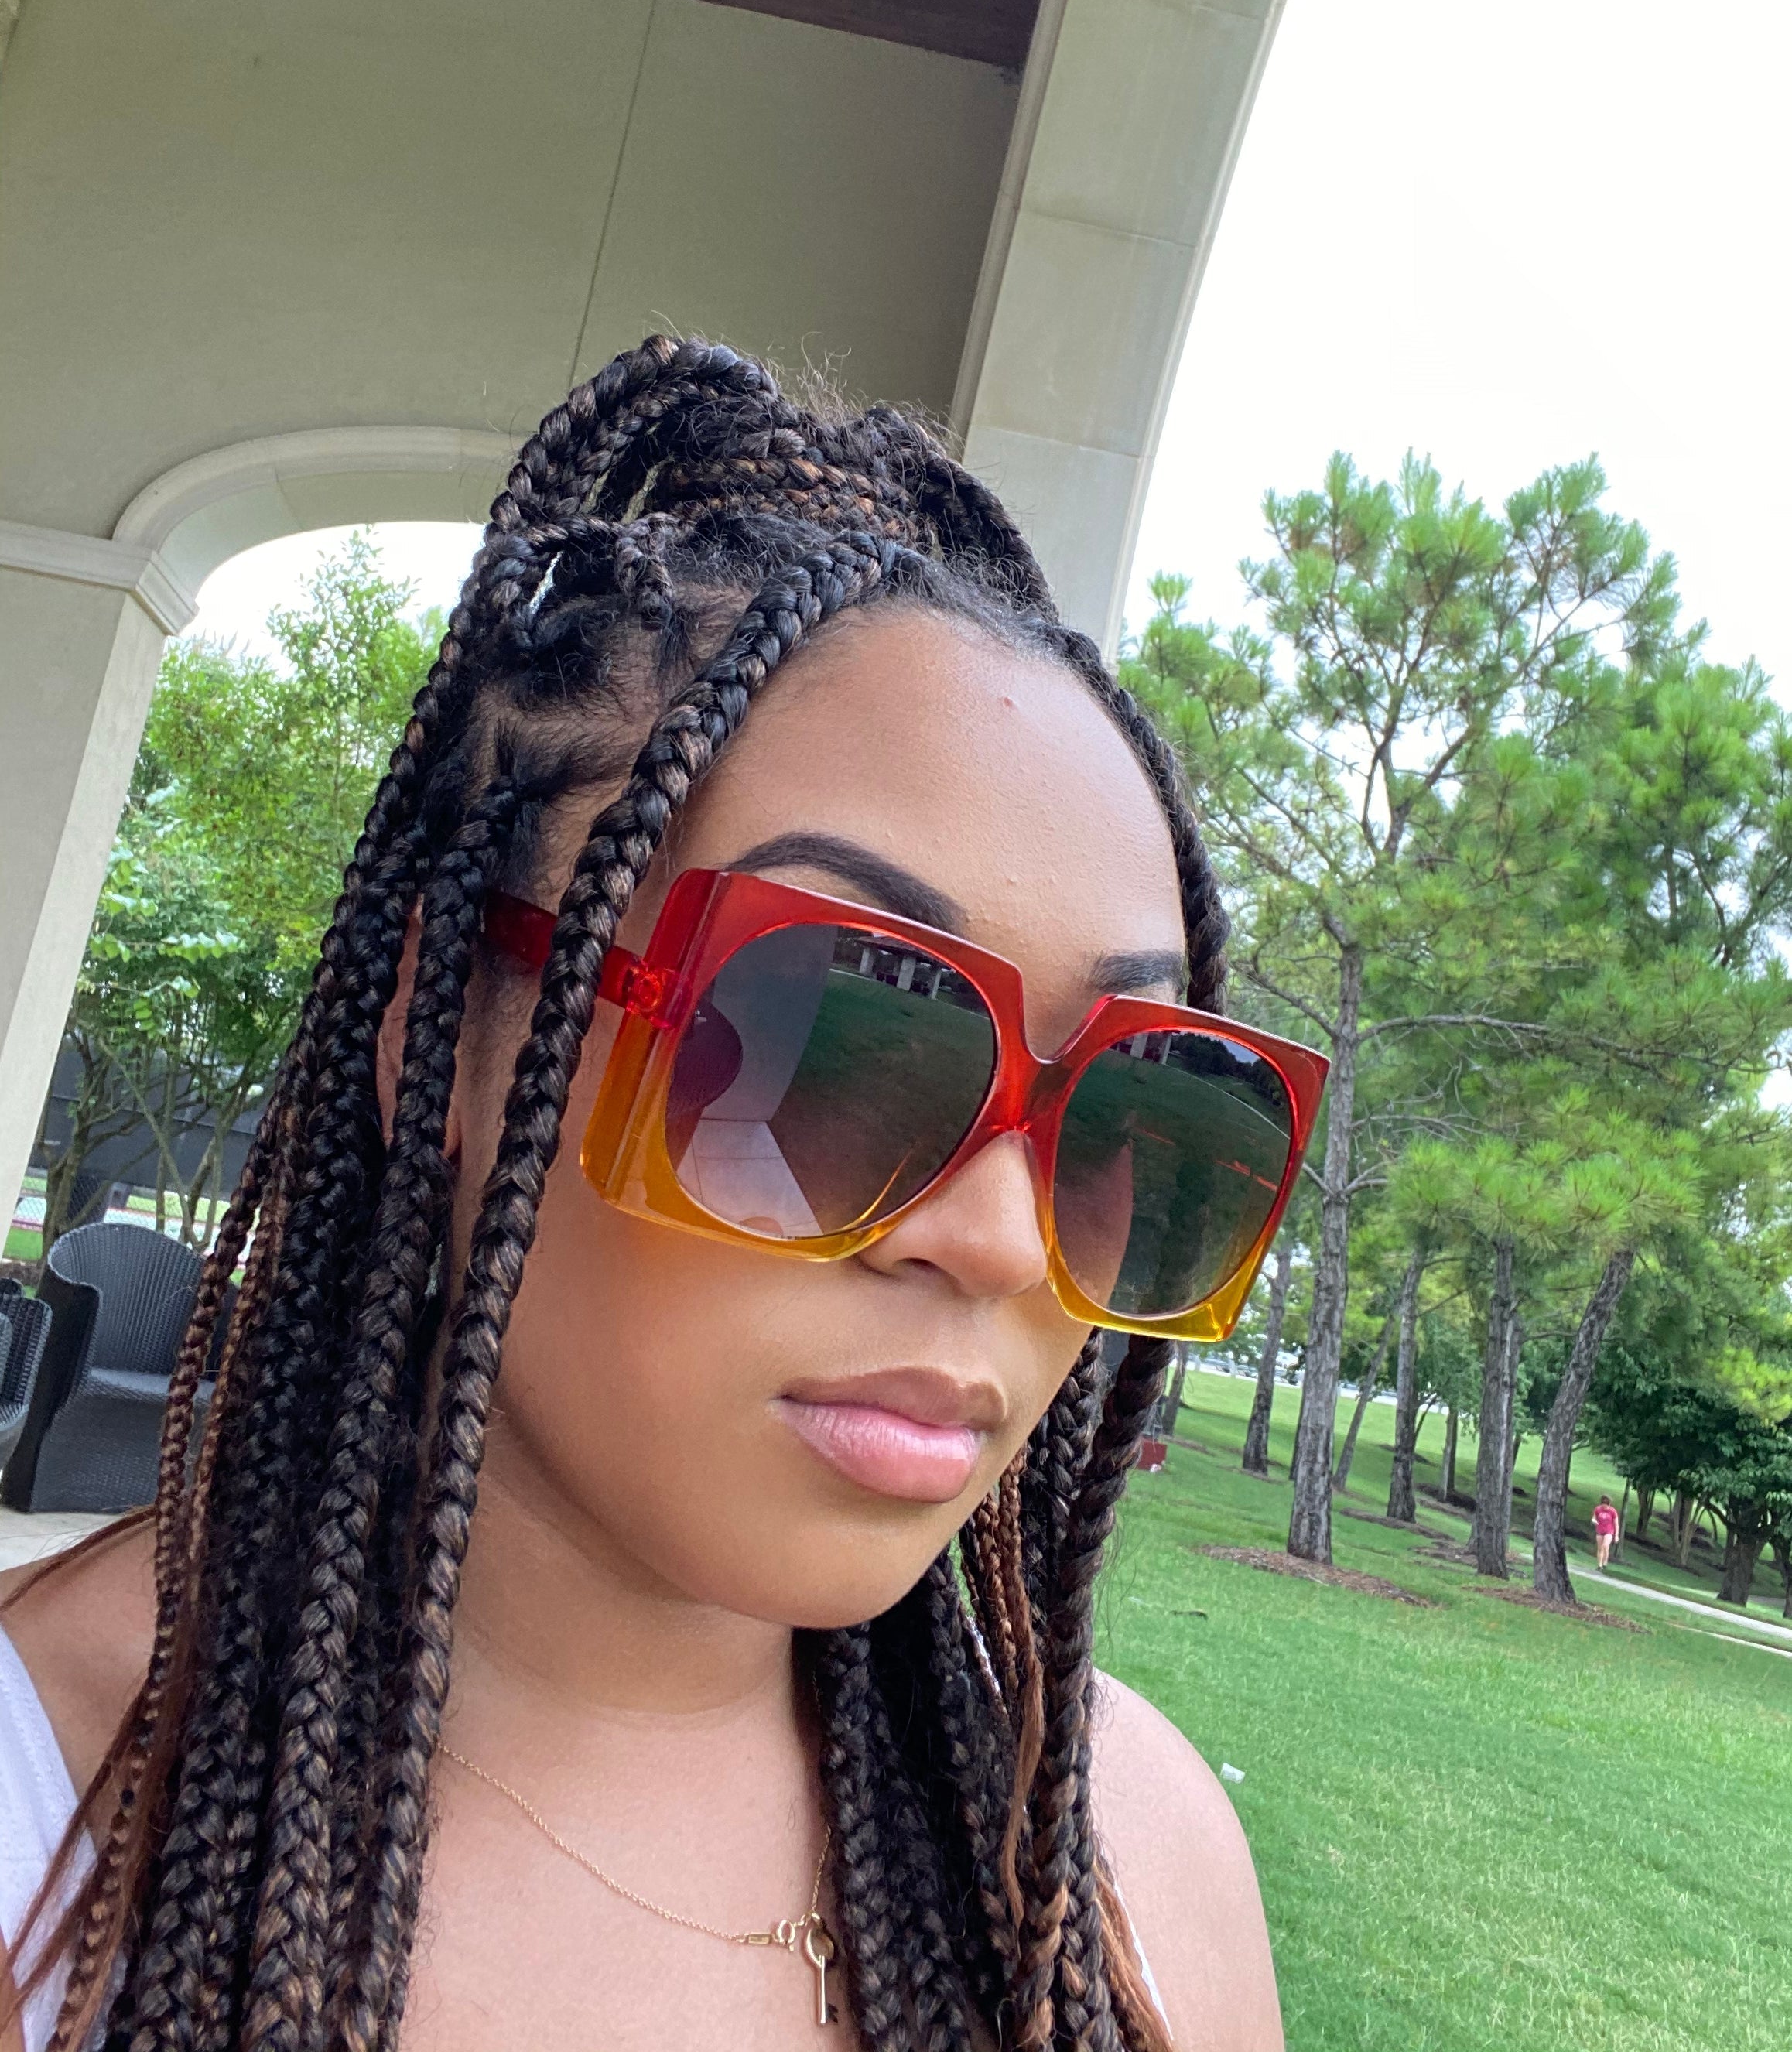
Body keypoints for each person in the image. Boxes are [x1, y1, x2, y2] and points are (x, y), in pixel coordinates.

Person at [0, 339, 1324, 2052]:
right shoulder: (49, 1833)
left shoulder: (1135, 1861)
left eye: (1142, 1115)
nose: (1003, 1240)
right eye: (828, 1035)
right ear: (433, 1039)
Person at [1592, 1496, 1622, 1569]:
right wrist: (1594, 1521)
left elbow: (1616, 1524)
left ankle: (1605, 1562)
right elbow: (1594, 1517)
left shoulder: (1613, 1511)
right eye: (1603, 1505)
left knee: (1605, 1546)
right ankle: (1600, 1565)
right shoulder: (1598, 1509)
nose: (1605, 1507)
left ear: (1609, 1505)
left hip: (1609, 1531)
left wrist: (1616, 1535)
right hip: (1600, 1530)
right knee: (1600, 1548)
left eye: (1606, 1506)